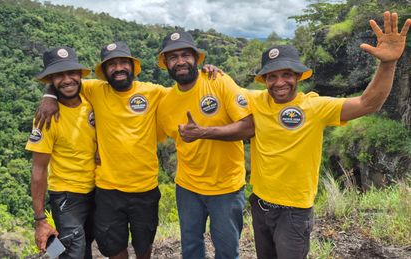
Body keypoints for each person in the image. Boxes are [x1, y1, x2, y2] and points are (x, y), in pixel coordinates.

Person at [179, 11, 411, 259]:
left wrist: (388, 64)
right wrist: (211, 70)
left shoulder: (315, 107)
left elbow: (367, 104)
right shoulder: (255, 100)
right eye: (272, 76)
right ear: (264, 80)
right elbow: (224, 86)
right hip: (260, 205)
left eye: (286, 74)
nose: (279, 82)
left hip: (295, 211)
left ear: (299, 76)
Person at [34, 42, 222, 259]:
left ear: (133, 67)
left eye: (123, 62)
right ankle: (54, 252)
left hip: (123, 190)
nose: (118, 68)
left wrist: (207, 74)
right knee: (78, 248)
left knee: (130, 243)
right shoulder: (54, 114)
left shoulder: (151, 92)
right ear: (104, 72)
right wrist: (49, 96)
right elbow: (63, 82)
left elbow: (185, 89)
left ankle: (56, 251)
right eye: (111, 64)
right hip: (77, 193)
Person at [156, 31, 254, 259]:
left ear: (196, 59)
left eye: (185, 55)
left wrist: (204, 132)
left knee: (227, 251)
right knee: (190, 249)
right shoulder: (166, 103)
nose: (180, 61)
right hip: (188, 187)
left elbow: (248, 127)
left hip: (226, 187)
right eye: (173, 57)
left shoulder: (218, 81)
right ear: (166, 64)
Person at [26, 46, 96, 258]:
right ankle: (53, 252)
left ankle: (55, 253)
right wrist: (40, 221)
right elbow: (38, 169)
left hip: (98, 190)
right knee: (72, 249)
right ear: (51, 79)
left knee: (85, 245)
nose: (67, 80)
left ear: (80, 74)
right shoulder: (46, 118)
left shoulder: (93, 100)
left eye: (71, 73)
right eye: (58, 75)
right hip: (67, 196)